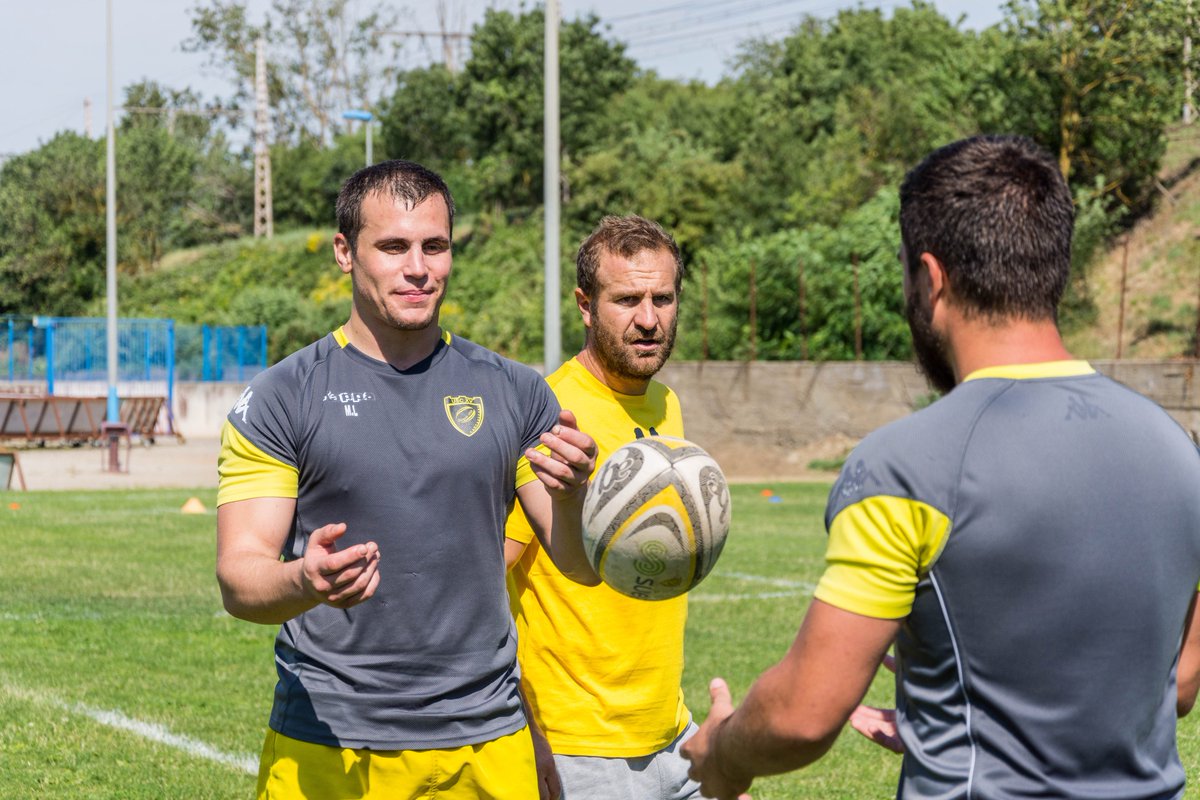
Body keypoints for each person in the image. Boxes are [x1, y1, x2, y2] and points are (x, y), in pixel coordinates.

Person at [681, 134, 1200, 800]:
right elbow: (1179, 683)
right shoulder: (1177, 451)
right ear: (1054, 269)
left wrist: (723, 755)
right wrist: (963, 716)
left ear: (930, 277)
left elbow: (802, 717)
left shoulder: (906, 467)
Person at [215, 159, 600, 800]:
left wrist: (576, 493)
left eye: (435, 246)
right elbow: (239, 575)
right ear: (345, 251)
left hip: (488, 739)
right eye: (393, 246)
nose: (418, 267)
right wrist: (302, 580)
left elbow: (578, 565)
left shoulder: (514, 390)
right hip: (330, 742)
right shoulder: (283, 397)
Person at [505, 214, 703, 800]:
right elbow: (479, 581)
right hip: (580, 750)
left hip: (671, 731)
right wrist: (527, 731)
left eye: (662, 298)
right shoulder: (549, 417)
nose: (649, 320)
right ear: (585, 305)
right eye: (626, 300)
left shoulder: (665, 404)